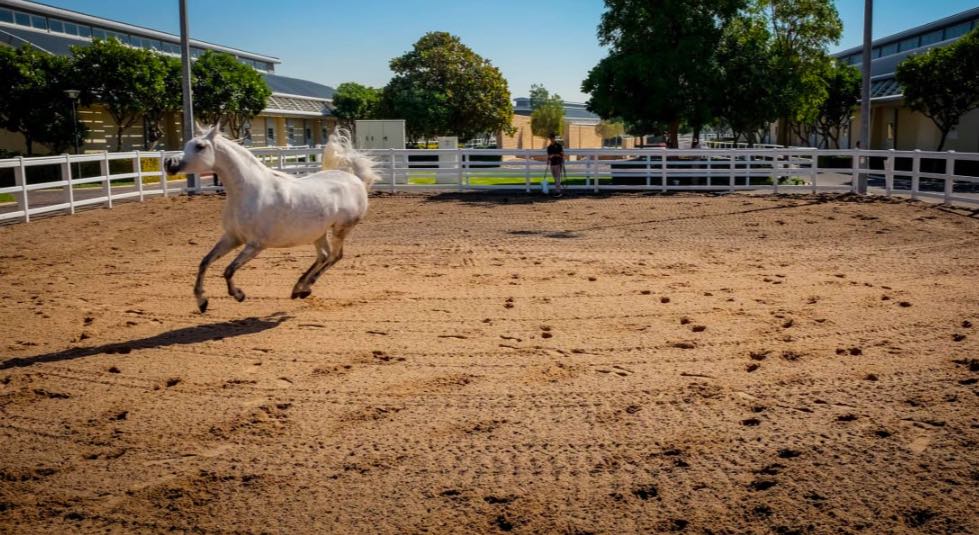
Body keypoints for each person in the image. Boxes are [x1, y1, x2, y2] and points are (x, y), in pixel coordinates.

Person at [545, 132, 564, 197]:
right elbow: (548, 156)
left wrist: (555, 155)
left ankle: (558, 192)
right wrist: (549, 159)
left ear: (554, 138)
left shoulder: (559, 146)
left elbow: (562, 155)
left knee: (557, 178)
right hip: (552, 164)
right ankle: (558, 190)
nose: (551, 139)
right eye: (550, 138)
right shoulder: (549, 147)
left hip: (558, 163)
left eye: (552, 138)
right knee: (555, 178)